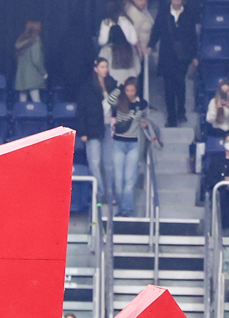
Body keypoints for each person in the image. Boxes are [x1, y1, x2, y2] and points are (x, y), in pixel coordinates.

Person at [147, 0, 198, 127]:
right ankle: (171, 117)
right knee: (168, 88)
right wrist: (150, 45)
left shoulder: (188, 14)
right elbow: (156, 31)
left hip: (183, 57)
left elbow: (193, 36)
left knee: (180, 85)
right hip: (167, 57)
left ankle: (181, 112)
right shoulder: (163, 13)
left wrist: (194, 55)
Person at [78, 58, 119, 206]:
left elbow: (118, 104)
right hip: (92, 128)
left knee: (109, 163)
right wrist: (82, 131)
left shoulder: (112, 84)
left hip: (108, 126)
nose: (105, 69)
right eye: (102, 67)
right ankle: (100, 194)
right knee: (94, 163)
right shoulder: (87, 86)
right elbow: (81, 110)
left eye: (106, 67)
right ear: (96, 68)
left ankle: (109, 195)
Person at [111, 77, 148, 217]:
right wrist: (120, 87)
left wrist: (143, 123)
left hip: (133, 143)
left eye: (132, 90)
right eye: (127, 90)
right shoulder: (119, 102)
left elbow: (144, 110)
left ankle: (127, 210)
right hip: (118, 143)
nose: (129, 93)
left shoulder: (141, 104)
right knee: (118, 179)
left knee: (129, 179)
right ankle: (121, 208)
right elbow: (109, 100)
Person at [99, 2, 141, 89]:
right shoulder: (131, 49)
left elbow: (100, 68)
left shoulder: (106, 50)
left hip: (113, 87)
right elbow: (138, 69)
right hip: (131, 87)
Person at [14, 21, 47, 103]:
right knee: (36, 101)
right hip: (32, 76)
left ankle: (22, 116)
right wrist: (44, 73)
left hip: (21, 75)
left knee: (22, 101)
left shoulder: (21, 39)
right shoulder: (35, 40)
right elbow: (36, 60)